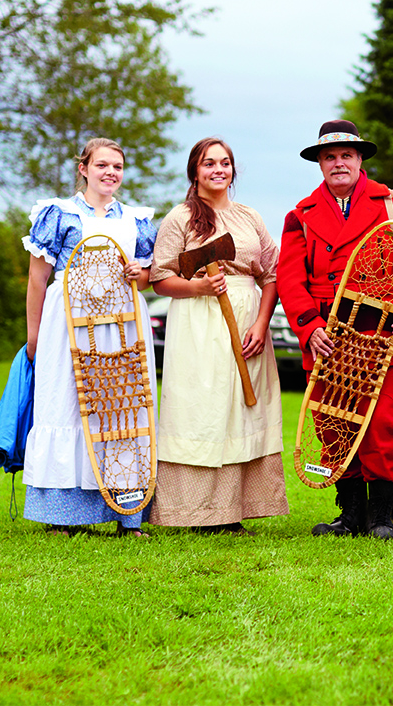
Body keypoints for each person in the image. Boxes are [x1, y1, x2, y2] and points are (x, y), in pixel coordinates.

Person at [277, 120, 393, 539]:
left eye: (346, 155)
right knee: (331, 424)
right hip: (326, 337)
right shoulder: (300, 215)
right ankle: (351, 515)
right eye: (330, 156)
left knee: (381, 423)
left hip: (379, 337)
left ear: (360, 159)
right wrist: (308, 328)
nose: (338, 162)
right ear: (320, 164)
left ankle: (381, 516)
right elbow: (290, 279)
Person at [148, 137, 288, 534]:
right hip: (198, 321)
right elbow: (160, 278)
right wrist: (199, 288)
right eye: (209, 163)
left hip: (244, 319)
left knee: (242, 411)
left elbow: (272, 274)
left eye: (225, 163)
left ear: (233, 170)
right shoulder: (180, 219)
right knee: (203, 409)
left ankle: (236, 509)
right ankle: (198, 511)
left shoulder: (249, 217)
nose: (218, 170)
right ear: (195, 171)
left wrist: (261, 324)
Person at [22, 137, 157, 536]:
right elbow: (37, 278)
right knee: (67, 400)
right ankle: (61, 513)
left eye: (117, 166)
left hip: (122, 321)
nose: (110, 173)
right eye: (102, 165)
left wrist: (140, 275)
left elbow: (148, 277)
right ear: (84, 169)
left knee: (122, 404)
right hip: (68, 318)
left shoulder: (136, 219)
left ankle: (126, 510)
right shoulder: (59, 214)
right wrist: (35, 334)